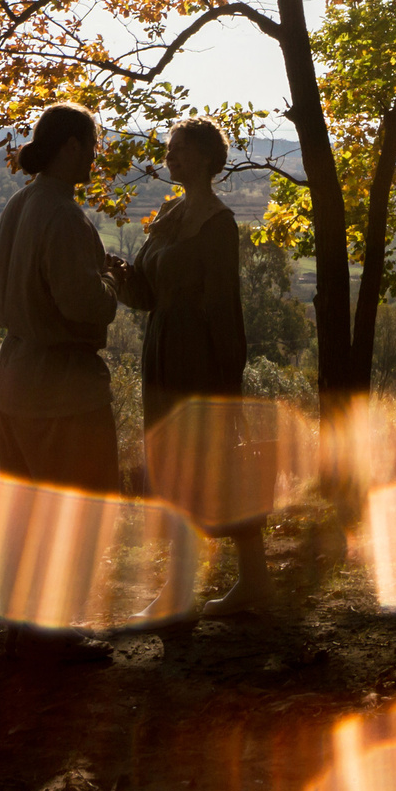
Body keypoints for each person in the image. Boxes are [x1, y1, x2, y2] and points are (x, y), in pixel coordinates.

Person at [108, 117, 268, 615]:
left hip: (197, 357)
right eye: (169, 149)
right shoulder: (172, 214)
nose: (170, 157)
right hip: (161, 350)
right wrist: (115, 273)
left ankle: (191, 590)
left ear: (204, 157)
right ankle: (243, 583)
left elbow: (225, 305)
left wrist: (228, 379)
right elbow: (149, 294)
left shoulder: (218, 223)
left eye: (179, 150)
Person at [0, 102, 121, 661]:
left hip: (15, 378)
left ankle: (24, 629)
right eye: (91, 146)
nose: (95, 157)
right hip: (62, 389)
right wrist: (109, 288)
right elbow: (83, 304)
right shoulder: (64, 216)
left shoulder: (20, 204)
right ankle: (54, 638)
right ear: (70, 146)